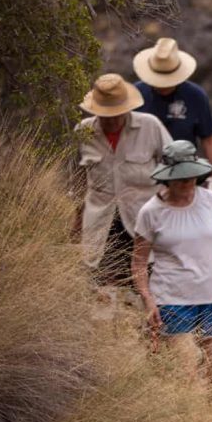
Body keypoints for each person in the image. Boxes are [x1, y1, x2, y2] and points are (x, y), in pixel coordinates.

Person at [131, 140, 212, 384]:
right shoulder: (151, 212)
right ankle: (189, 419)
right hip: (172, 300)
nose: (187, 183)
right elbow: (138, 263)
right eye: (180, 179)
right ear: (167, 178)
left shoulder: (211, 201)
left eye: (190, 177)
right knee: (184, 376)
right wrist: (148, 300)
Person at [75, 73, 171, 287]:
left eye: (117, 113)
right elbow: (79, 180)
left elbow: (174, 165)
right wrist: (76, 222)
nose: (112, 119)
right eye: (105, 114)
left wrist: (166, 199)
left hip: (144, 220)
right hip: (100, 223)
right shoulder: (83, 132)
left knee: (147, 285)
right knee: (99, 288)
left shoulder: (151, 126)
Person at [133, 37, 212, 199]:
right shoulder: (136, 94)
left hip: (183, 177)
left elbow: (209, 139)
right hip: (143, 179)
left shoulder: (196, 96)